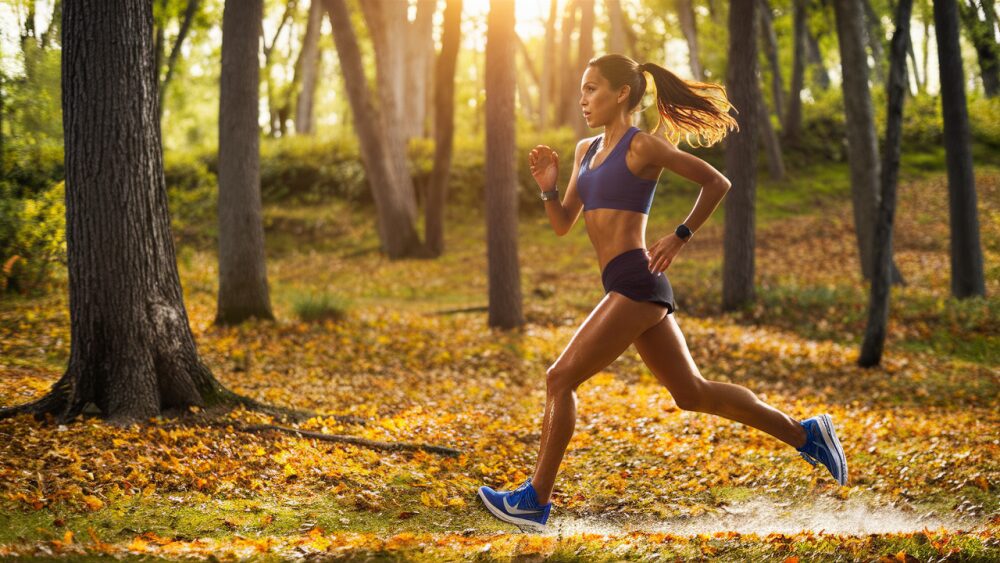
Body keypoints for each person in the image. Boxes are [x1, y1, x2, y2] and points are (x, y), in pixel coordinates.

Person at [476, 54, 847, 532]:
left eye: (592, 89)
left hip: (638, 280)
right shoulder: (584, 151)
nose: (583, 99)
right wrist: (548, 188)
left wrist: (680, 235)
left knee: (559, 378)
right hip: (626, 285)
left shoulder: (642, 147)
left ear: (621, 94)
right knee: (692, 393)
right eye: (582, 90)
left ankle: (534, 501)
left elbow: (717, 182)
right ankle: (805, 434)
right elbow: (563, 224)